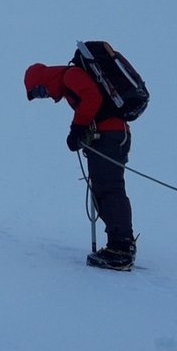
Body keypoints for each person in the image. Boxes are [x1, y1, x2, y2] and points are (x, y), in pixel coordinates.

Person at [24, 60, 135, 270]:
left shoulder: (70, 75)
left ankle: (120, 248)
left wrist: (77, 128)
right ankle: (121, 243)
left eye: (39, 90)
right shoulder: (68, 82)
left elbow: (93, 97)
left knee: (108, 189)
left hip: (109, 136)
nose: (43, 95)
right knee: (105, 189)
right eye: (38, 95)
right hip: (110, 135)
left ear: (44, 78)